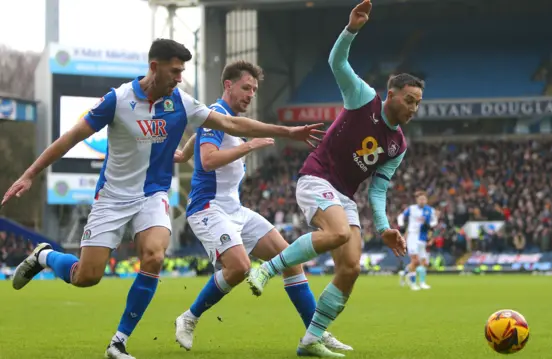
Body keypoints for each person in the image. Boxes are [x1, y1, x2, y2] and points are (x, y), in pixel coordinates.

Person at [2, 39, 323, 359]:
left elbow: (230, 123)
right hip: (112, 197)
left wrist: (287, 132)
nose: (180, 78)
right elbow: (70, 138)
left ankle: (118, 341)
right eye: (175, 71)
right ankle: (44, 257)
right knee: (86, 277)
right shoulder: (118, 100)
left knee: (154, 255)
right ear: (154, 68)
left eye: (182, 71)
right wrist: (30, 173)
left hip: (152, 195)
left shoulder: (180, 102)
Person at [246, 0, 423, 356]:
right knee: (338, 232)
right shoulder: (363, 98)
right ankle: (268, 269)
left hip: (343, 195)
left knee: (351, 267)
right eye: (409, 100)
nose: (413, 108)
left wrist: (385, 226)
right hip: (316, 177)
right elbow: (336, 62)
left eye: (418, 103)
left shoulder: (398, 145)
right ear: (392, 95)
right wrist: (351, 29)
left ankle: (311, 338)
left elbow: (378, 189)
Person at [172, 60, 351, 352]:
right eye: (246, 87)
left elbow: (203, 131)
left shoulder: (222, 117)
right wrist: (248, 146)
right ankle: (189, 317)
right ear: (228, 85)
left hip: (234, 209)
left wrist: (183, 151)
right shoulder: (219, 114)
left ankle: (314, 334)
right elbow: (208, 160)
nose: (250, 94)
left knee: (291, 260)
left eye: (254, 89)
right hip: (207, 208)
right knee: (240, 267)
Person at [399, 191, 437, 290]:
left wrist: (430, 227)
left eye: (424, 199)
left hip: (423, 238)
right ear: (417, 200)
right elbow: (401, 217)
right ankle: (413, 283)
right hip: (412, 237)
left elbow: (434, 222)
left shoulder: (430, 210)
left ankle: (419, 281)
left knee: (424, 262)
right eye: (420, 199)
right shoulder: (411, 209)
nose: (422, 201)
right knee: (415, 261)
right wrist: (402, 226)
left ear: (426, 200)